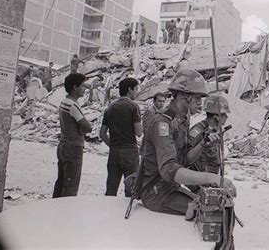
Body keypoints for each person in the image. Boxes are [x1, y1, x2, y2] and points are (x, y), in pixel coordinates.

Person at [140, 69, 237, 217]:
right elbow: (169, 170)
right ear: (184, 96)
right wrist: (215, 179)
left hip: (169, 188)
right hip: (156, 193)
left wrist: (203, 145)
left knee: (217, 205)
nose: (200, 103)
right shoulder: (163, 122)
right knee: (213, 213)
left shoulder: (182, 121)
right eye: (197, 98)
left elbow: (184, 160)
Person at [100, 78, 142, 197]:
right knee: (131, 189)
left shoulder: (110, 108)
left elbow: (102, 134)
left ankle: (108, 214)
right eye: (136, 89)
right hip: (129, 150)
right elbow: (139, 132)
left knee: (111, 189)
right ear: (130, 89)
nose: (137, 92)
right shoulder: (133, 106)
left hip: (114, 151)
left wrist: (112, 145)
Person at [53, 73, 92, 198]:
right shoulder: (73, 105)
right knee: (70, 187)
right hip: (73, 147)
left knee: (61, 183)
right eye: (82, 86)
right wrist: (82, 130)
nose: (84, 89)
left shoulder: (64, 102)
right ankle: (65, 215)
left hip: (63, 144)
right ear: (75, 87)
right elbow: (88, 127)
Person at [186, 95, 230, 193]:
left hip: (211, 182)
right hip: (199, 186)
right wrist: (203, 144)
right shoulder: (198, 131)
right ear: (216, 116)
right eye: (224, 114)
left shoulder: (215, 131)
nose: (227, 117)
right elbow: (187, 160)